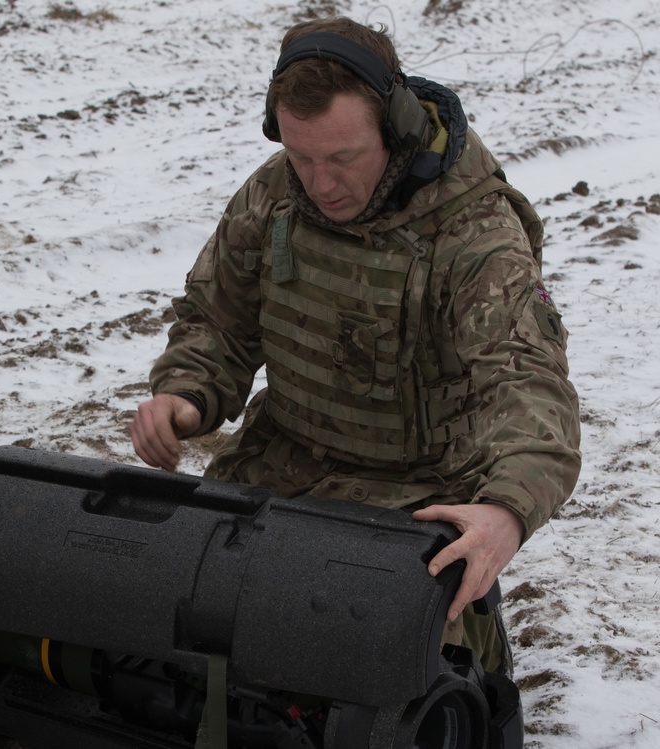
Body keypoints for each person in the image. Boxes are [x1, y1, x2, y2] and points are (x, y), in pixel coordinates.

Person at [131, 16, 581, 675]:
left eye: (342, 159)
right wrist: (182, 395)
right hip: (281, 463)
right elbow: (217, 322)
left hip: (418, 493)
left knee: (375, 670)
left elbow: (526, 386)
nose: (320, 183)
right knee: (169, 620)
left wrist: (504, 509)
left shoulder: (473, 232)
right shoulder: (273, 194)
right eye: (301, 156)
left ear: (395, 127)